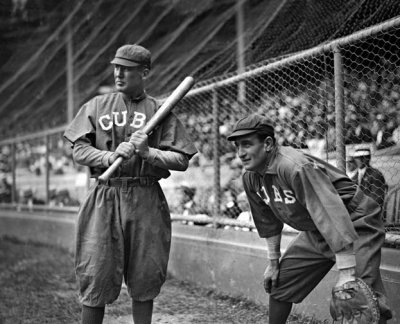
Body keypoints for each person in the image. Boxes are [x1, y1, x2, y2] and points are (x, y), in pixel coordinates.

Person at [63, 44, 197, 324]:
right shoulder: (96, 105)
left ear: (144, 72)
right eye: (116, 67)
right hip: (105, 193)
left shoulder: (159, 110)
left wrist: (149, 153)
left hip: (145, 193)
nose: (119, 73)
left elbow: (182, 159)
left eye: (127, 68)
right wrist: (109, 155)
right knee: (95, 270)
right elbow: (78, 149)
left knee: (145, 273)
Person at [226, 114, 392, 324]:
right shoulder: (251, 177)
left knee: (359, 297)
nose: (240, 153)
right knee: (280, 284)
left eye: (247, 145)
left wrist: (346, 271)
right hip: (318, 227)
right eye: (237, 146)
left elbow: (330, 212)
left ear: (268, 144)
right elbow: (268, 222)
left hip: (354, 221)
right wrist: (273, 262)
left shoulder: (294, 166)